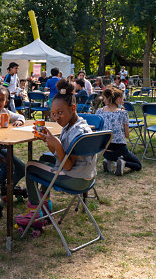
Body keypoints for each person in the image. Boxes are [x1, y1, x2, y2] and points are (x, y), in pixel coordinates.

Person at [17, 79, 97, 220]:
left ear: (73, 108)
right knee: (44, 158)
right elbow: (62, 156)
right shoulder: (78, 125)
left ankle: (34, 214)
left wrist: (57, 144)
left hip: (75, 180)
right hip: (87, 177)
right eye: (53, 114)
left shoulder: (77, 132)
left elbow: (67, 164)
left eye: (60, 113)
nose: (56, 118)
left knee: (29, 167)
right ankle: (45, 203)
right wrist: (50, 142)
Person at [97, 87, 142, 175]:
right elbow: (127, 135)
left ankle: (108, 160)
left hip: (104, 149)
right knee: (138, 165)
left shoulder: (99, 112)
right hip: (119, 149)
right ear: (118, 99)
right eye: (122, 98)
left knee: (113, 155)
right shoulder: (122, 113)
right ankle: (123, 163)